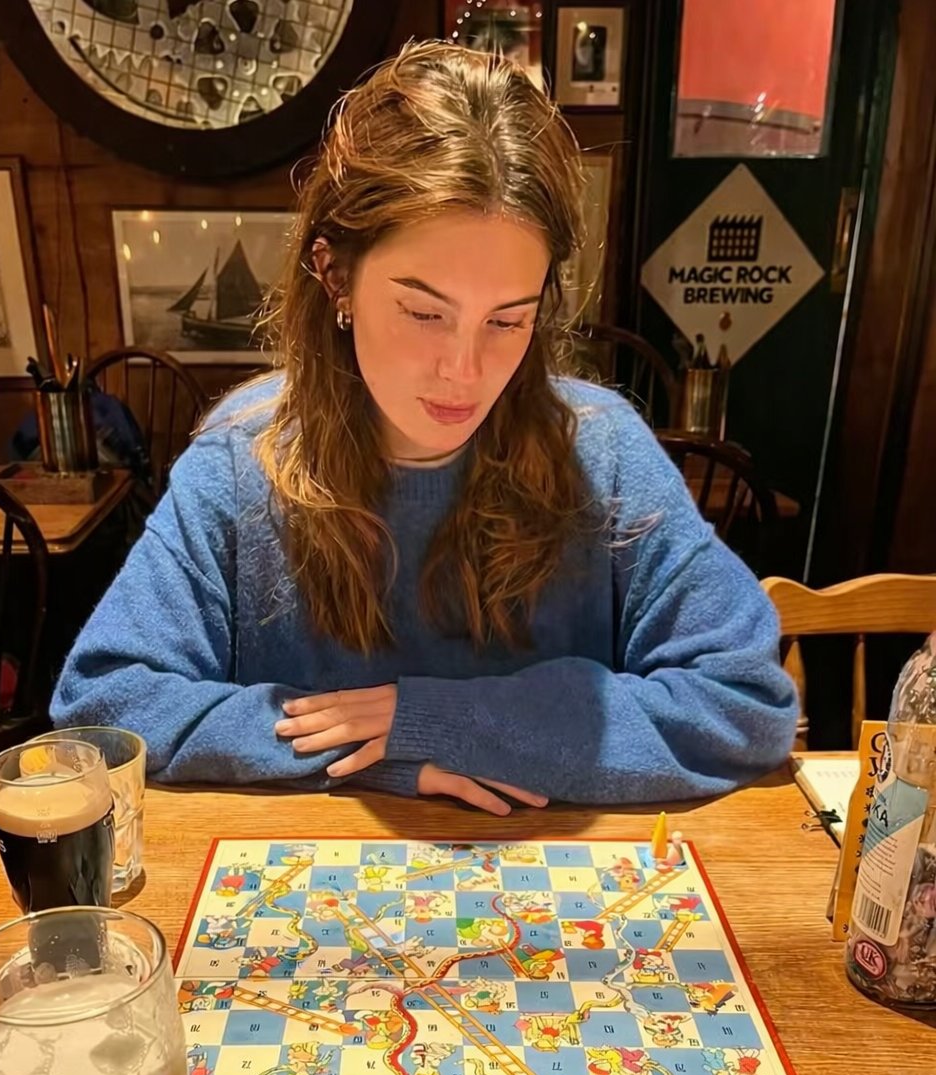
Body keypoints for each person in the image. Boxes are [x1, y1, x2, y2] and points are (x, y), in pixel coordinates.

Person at [51, 41, 797, 816]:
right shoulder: (239, 461)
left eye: (508, 320)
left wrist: (451, 722)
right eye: (423, 312)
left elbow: (745, 700)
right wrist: (375, 753)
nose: (464, 371)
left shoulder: (603, 451)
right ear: (335, 275)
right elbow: (103, 705)